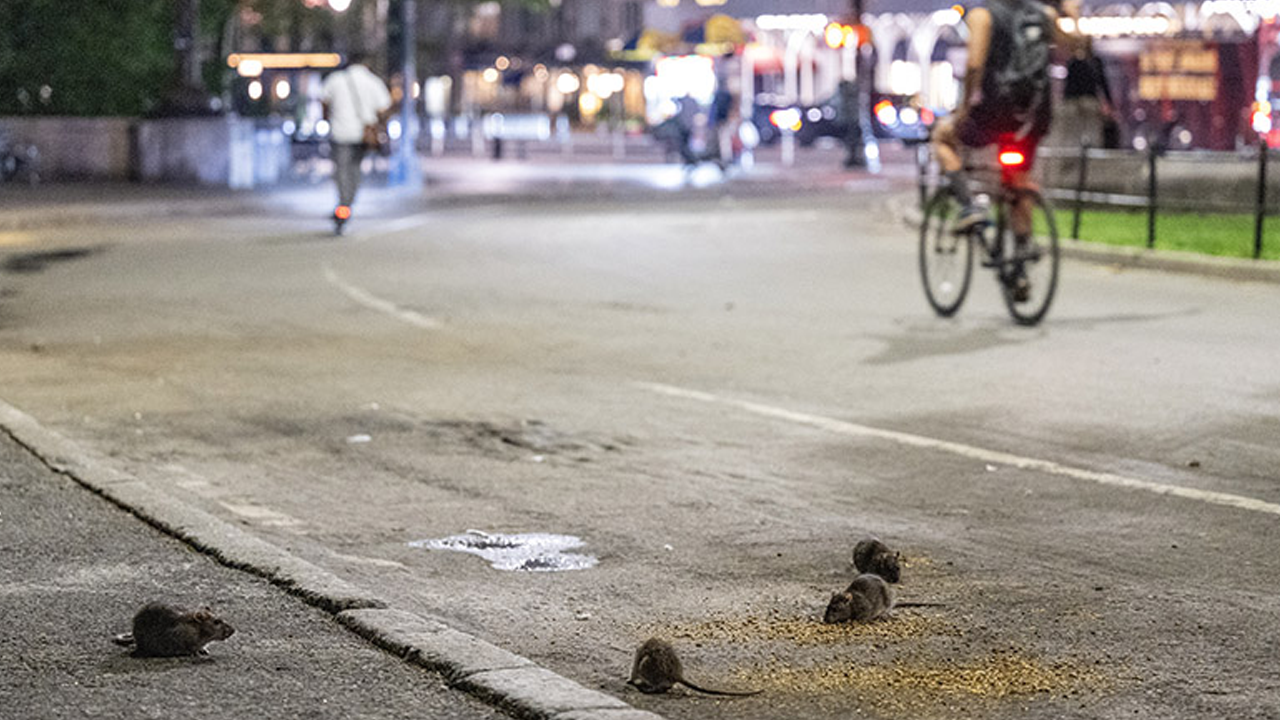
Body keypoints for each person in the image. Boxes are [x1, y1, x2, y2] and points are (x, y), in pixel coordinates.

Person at [931, 0, 1079, 244]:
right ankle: (1022, 258)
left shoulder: (982, 16)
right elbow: (1076, 47)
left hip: (995, 111)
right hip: (1035, 113)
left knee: (942, 138)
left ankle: (968, 207)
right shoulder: (1045, 14)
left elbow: (975, 65)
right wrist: (1072, 17)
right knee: (1019, 179)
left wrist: (964, 110)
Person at [321, 52, 393, 234]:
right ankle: (346, 205)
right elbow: (384, 109)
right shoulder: (373, 82)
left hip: (340, 132)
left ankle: (343, 206)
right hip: (363, 135)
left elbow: (324, 101)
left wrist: (329, 118)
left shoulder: (335, 79)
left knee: (341, 171)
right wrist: (379, 126)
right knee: (355, 170)